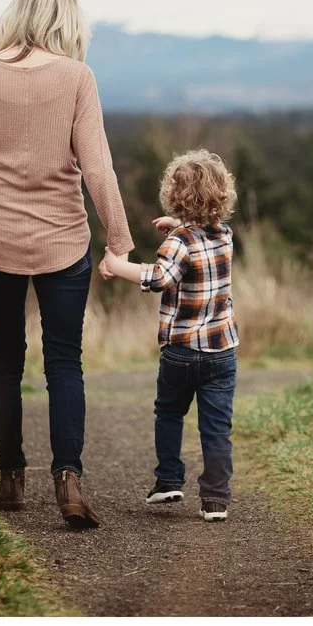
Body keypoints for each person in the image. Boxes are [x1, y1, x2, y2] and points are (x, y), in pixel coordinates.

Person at [0, 0, 134, 530]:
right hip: (64, 240)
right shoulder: (77, 78)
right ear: (66, 16)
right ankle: (68, 478)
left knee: (4, 359)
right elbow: (97, 168)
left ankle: (10, 476)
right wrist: (119, 243)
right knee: (64, 361)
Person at [100, 149, 239, 522]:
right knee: (216, 427)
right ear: (221, 196)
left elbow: (161, 277)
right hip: (222, 352)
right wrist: (176, 224)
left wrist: (118, 265)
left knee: (169, 412)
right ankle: (215, 501)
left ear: (175, 197)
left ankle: (168, 481)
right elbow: (197, 241)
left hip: (181, 352)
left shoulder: (178, 242)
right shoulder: (225, 235)